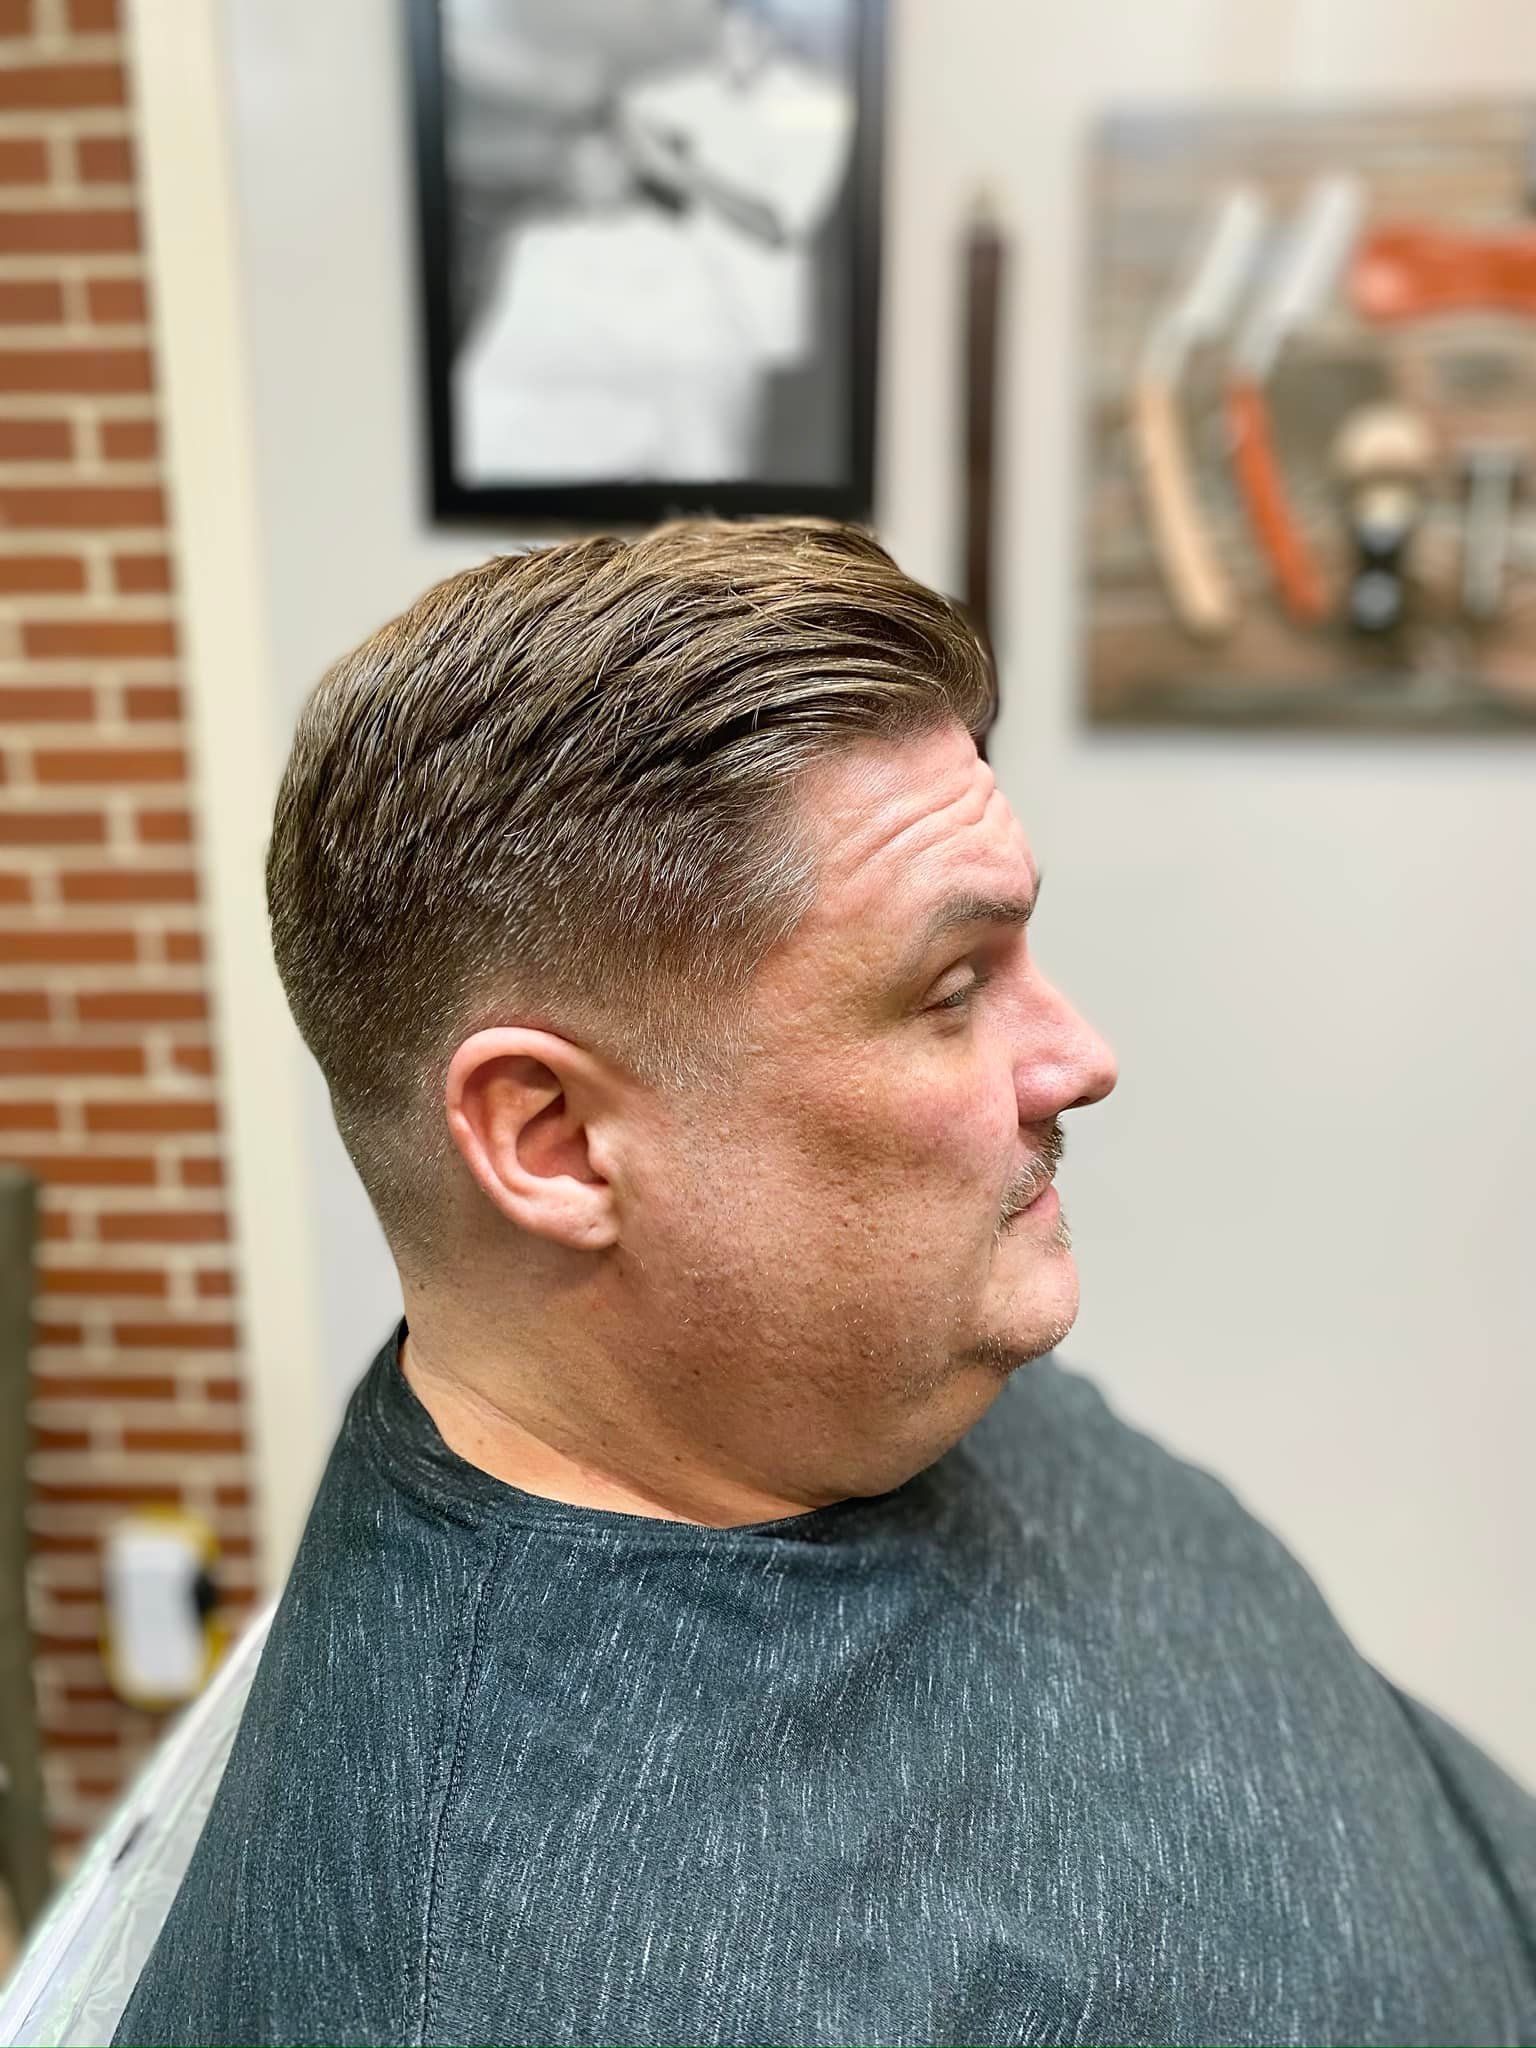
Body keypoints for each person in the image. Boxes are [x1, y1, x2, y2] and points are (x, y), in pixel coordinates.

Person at [114, 522, 1535, 2047]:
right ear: (558, 1142)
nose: (1081, 1059)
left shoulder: (855, 1368)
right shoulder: (497, 1982)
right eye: (951, 989)